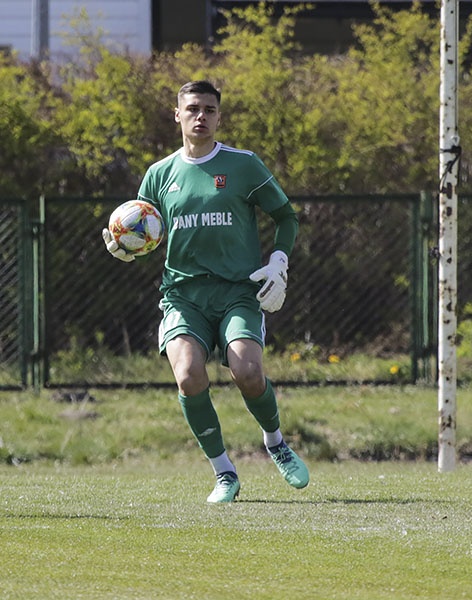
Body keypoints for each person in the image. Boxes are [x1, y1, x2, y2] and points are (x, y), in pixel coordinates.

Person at [101, 80, 309, 503]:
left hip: (237, 292)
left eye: (209, 109)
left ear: (219, 116)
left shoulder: (243, 165)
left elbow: (286, 217)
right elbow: (143, 229)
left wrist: (279, 260)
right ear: (177, 115)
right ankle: (224, 473)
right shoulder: (159, 175)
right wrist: (124, 249)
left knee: (248, 373)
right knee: (188, 375)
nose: (201, 116)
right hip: (183, 296)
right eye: (192, 108)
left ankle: (275, 442)